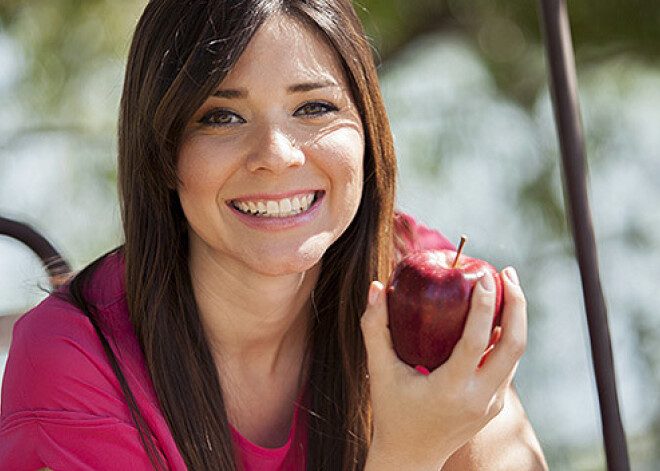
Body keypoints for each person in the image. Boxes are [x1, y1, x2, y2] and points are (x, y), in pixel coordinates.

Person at [0, 0, 548, 469]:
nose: (276, 155)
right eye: (221, 117)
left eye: (314, 107)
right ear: (163, 151)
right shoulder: (74, 361)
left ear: (368, 133)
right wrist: (410, 452)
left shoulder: (415, 282)